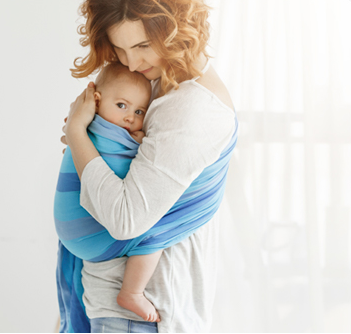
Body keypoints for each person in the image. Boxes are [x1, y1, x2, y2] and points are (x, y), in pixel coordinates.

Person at [60, 0, 237, 332]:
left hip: (143, 313)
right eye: (119, 47)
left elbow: (125, 219)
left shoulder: (190, 109)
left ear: (178, 27)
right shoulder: (152, 80)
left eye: (142, 45)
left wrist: (77, 134)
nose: (130, 61)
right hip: (112, 304)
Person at [60, 62, 165, 323]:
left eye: (139, 111)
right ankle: (132, 292)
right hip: (91, 235)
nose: (130, 117)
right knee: (158, 233)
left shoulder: (84, 131)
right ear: (95, 101)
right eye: (122, 105)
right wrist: (138, 142)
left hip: (70, 233)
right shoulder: (111, 134)